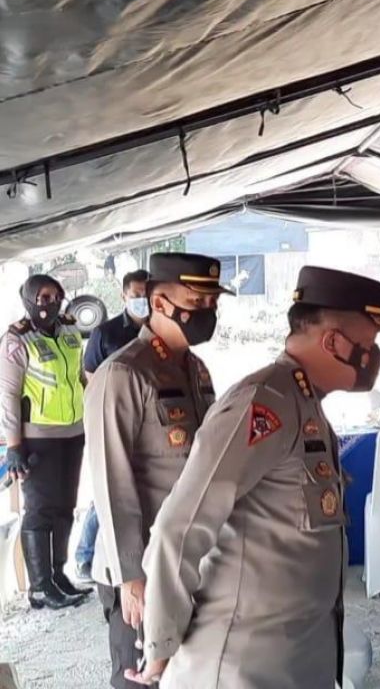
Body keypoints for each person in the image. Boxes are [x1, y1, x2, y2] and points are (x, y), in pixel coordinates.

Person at [129, 266, 380, 688]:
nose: (374, 358)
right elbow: (179, 529)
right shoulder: (263, 403)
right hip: (241, 665)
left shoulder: (304, 403)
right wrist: (161, 644)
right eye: (368, 345)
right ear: (333, 342)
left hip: (292, 660)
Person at [84, 254, 225, 689]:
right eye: (195, 300)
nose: (206, 311)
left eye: (211, 302)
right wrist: (131, 575)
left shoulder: (194, 370)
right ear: (159, 301)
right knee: (138, 680)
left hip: (180, 558)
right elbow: (112, 481)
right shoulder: (123, 373)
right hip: (139, 568)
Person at [0, 275, 91, 609]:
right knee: (40, 509)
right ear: (28, 299)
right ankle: (39, 586)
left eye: (53, 296)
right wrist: (14, 446)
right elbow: (8, 395)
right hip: (38, 437)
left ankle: (57, 575)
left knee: (66, 507)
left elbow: (80, 377)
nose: (48, 303)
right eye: (41, 297)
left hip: (73, 433)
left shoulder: (69, 329)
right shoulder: (16, 338)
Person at [76, 268, 151, 584]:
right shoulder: (105, 334)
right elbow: (91, 379)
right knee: (108, 489)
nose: (141, 301)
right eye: (136, 295)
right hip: (110, 419)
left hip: (148, 421)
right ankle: (85, 557)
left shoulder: (158, 330)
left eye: (146, 295)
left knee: (139, 487)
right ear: (124, 296)